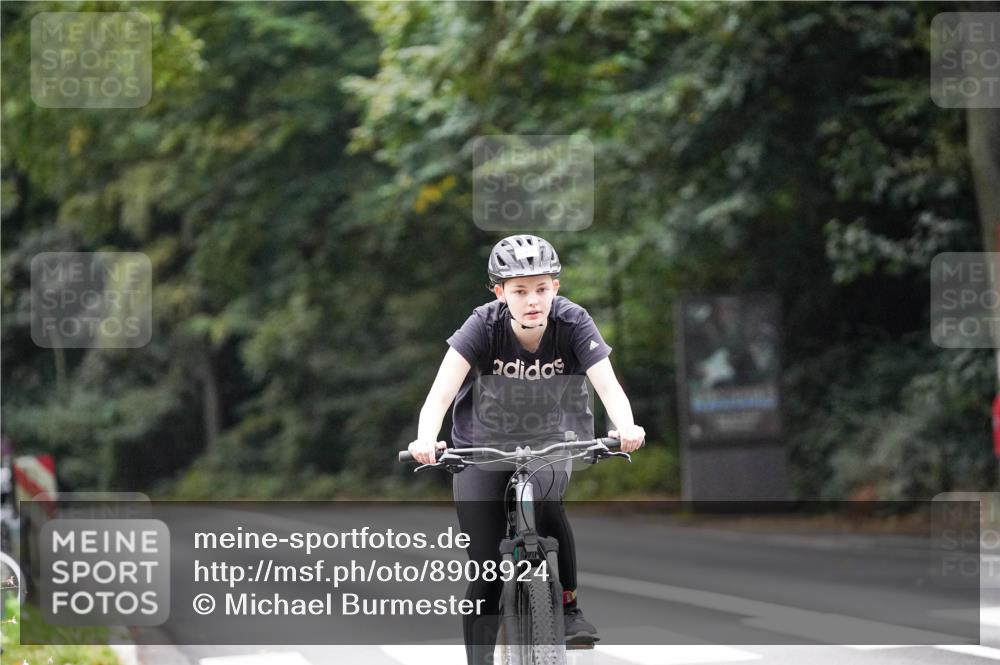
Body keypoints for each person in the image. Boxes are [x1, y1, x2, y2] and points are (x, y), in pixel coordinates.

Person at [408, 234, 645, 665]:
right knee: (485, 568)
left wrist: (625, 427)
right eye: (519, 291)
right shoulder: (482, 325)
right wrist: (427, 438)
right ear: (500, 293)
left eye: (541, 288)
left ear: (555, 287)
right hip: (480, 447)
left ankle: (569, 608)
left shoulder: (573, 322)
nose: (532, 300)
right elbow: (439, 396)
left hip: (550, 441)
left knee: (549, 507)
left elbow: (609, 387)